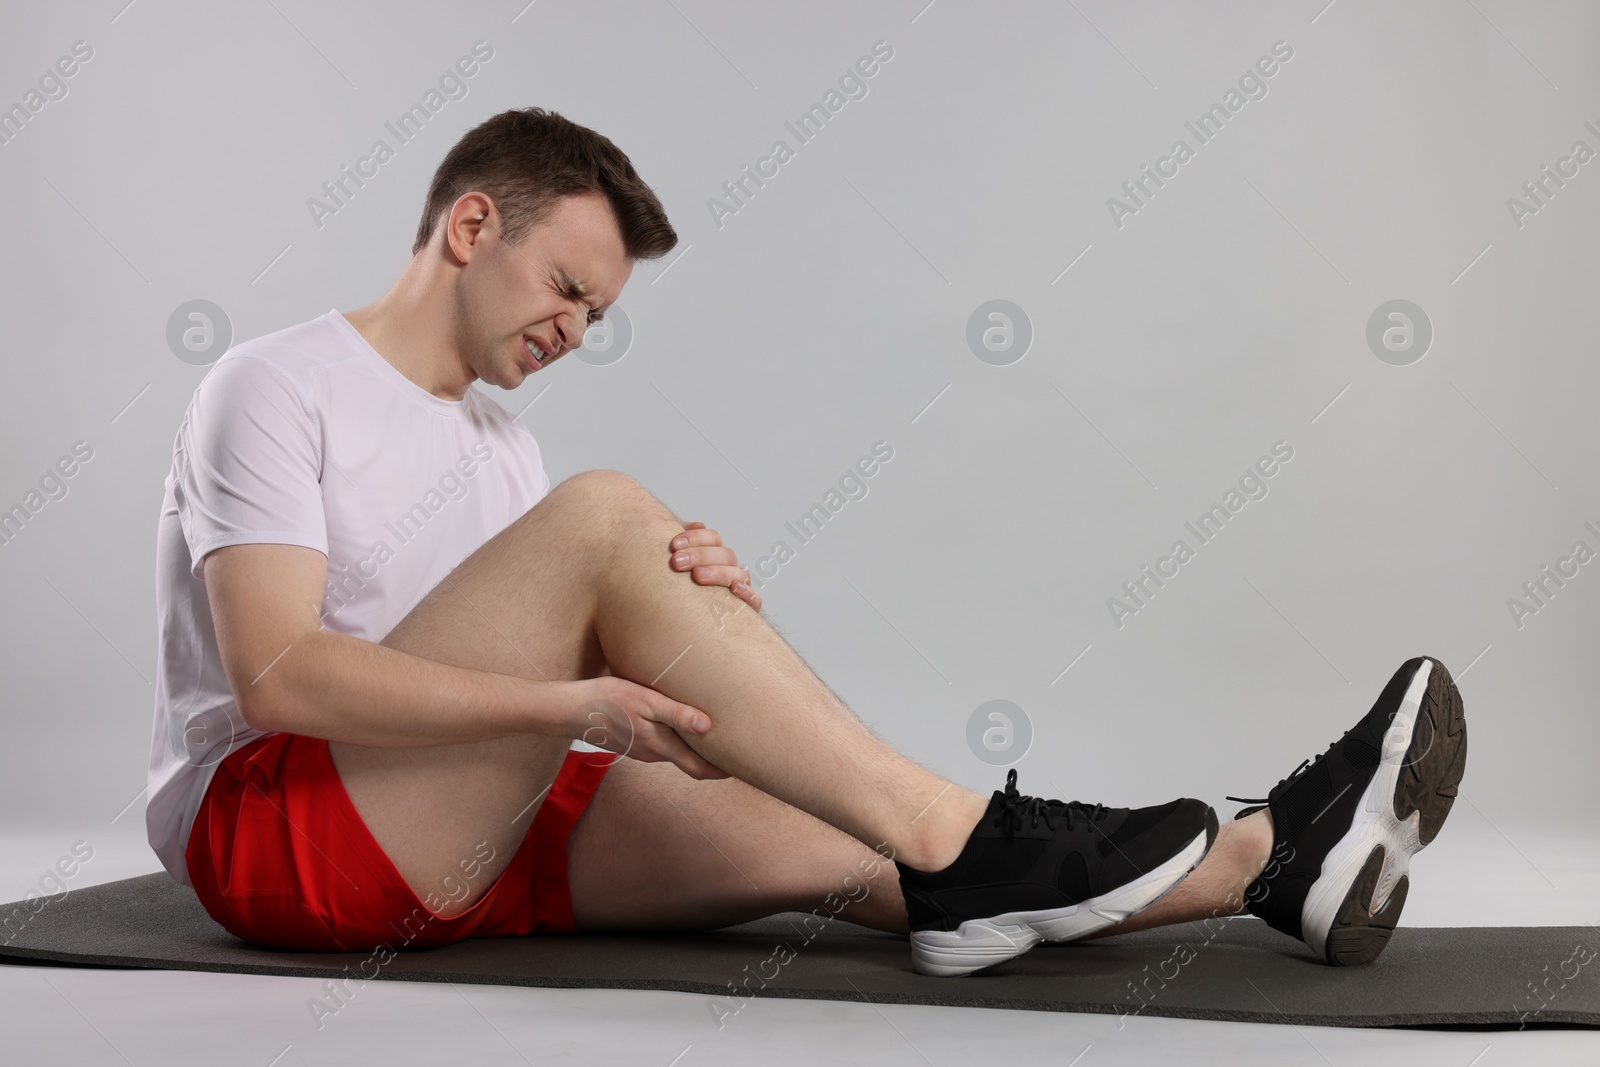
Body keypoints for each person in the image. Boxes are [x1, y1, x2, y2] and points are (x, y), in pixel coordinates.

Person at [147, 107, 1468, 978]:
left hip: (476, 822)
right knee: (613, 516)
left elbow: (525, 707)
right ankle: (972, 834)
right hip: (282, 828)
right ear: (471, 224)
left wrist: (704, 648)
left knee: (852, 837)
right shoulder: (276, 385)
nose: (576, 330)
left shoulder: (502, 447)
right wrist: (587, 663)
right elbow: (281, 679)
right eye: (567, 288)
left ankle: (1276, 852)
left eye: (599, 314)